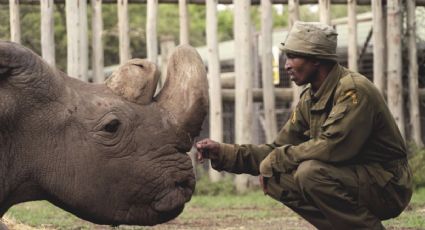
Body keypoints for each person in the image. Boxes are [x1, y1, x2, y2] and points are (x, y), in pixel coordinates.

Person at [195, 21, 412, 230]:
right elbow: (276, 149)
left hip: (388, 185)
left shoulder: (353, 91)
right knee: (276, 179)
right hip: (354, 178)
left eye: (292, 57)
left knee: (309, 173)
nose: (286, 65)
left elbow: (332, 148)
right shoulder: (310, 97)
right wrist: (224, 153)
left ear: (316, 59)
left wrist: (277, 158)